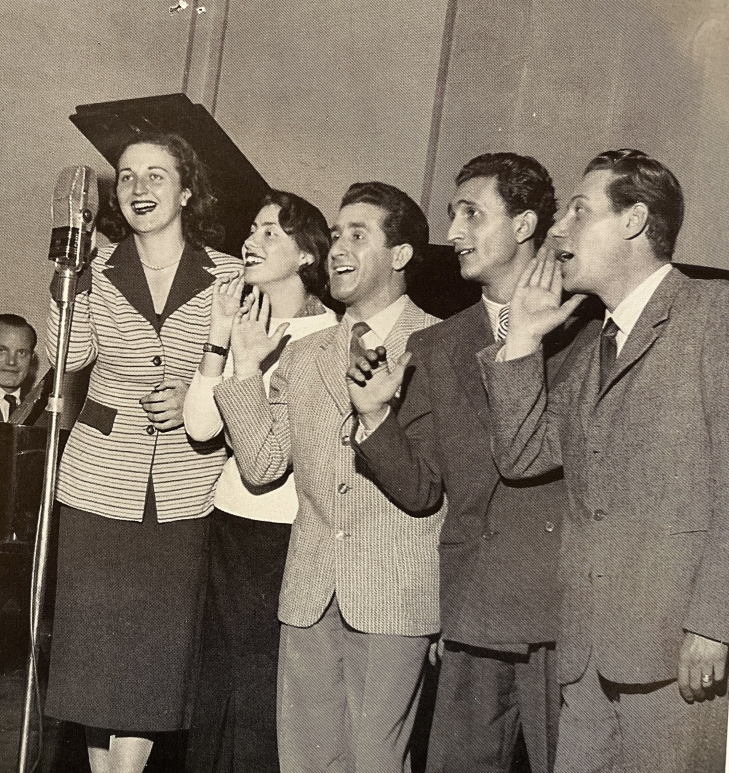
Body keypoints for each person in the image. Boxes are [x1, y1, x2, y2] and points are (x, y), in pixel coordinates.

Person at [478, 149, 729, 772]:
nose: (558, 228)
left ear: (635, 220)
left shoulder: (712, 315)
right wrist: (523, 341)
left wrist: (715, 623)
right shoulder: (595, 345)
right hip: (588, 652)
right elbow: (521, 454)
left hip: (676, 651)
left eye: (579, 211)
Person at [347, 153, 588, 772]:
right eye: (452, 215)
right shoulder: (436, 345)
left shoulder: (588, 332)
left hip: (562, 612)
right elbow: (423, 488)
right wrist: (375, 419)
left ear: (525, 224)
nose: (451, 232)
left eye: (471, 214)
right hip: (475, 613)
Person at [213, 182, 443, 773]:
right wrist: (243, 370)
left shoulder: (441, 347)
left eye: (357, 235)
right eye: (336, 234)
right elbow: (262, 466)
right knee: (307, 762)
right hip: (310, 594)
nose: (338, 246)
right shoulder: (305, 354)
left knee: (374, 763)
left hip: (395, 597)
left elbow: (433, 488)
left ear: (401, 254)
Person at [43, 132, 241, 773]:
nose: (138, 189)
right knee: (97, 663)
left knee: (153, 664)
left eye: (156, 176)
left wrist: (197, 391)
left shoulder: (230, 276)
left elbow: (251, 373)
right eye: (126, 177)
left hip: (185, 488)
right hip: (99, 484)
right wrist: (62, 288)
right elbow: (67, 360)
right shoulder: (93, 272)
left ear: (186, 191)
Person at [182, 190, 338, 773]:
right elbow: (200, 426)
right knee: (216, 681)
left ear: (307, 255)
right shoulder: (242, 319)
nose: (251, 240)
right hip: (228, 523)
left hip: (287, 532)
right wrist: (220, 336)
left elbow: (280, 454)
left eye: (271, 231)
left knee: (260, 688)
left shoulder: (329, 334)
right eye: (252, 227)